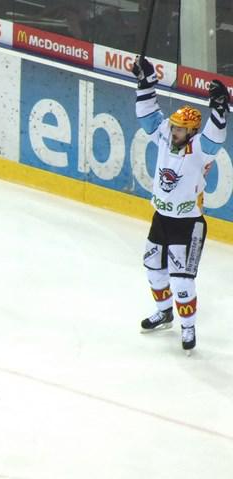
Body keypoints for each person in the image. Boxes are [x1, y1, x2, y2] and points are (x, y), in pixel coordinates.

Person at [132, 56, 229, 355]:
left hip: (188, 225)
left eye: (179, 129)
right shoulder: (165, 135)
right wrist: (145, 82)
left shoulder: (200, 148)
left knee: (182, 280)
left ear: (191, 132)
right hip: (161, 218)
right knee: (153, 268)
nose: (173, 131)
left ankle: (188, 327)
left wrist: (219, 107)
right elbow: (148, 117)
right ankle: (164, 313)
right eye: (173, 126)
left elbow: (216, 134)